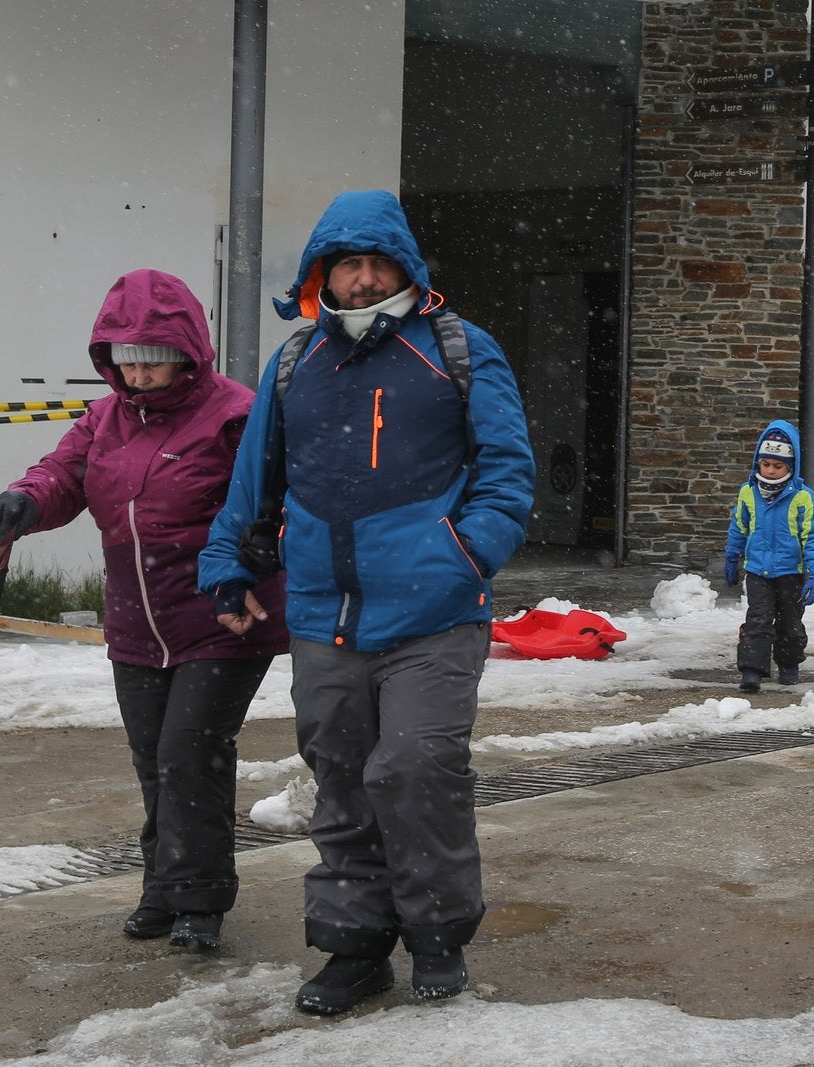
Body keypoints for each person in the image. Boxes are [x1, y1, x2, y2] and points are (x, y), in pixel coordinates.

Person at [200, 190, 535, 1014]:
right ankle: (354, 948)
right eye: (346, 263)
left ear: (406, 268)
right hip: (324, 613)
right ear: (323, 273)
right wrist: (227, 567)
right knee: (342, 779)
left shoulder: (458, 348)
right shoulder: (295, 362)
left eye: (377, 261)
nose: (362, 276)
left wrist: (463, 552)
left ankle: (437, 934)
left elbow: (507, 469)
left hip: (436, 610)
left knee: (416, 769)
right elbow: (254, 481)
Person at [0, 268, 290, 951]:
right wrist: (25, 500)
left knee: (190, 753)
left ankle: (200, 900)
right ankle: (164, 884)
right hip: (135, 621)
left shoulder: (235, 413)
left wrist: (246, 561)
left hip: (224, 615)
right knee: (153, 756)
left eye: (155, 357)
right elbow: (61, 475)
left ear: (188, 351)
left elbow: (270, 507)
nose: (141, 373)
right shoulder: (104, 420)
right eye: (127, 358)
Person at [723, 419, 814, 693]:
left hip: (791, 570)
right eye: (765, 464)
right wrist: (732, 557)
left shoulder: (802, 497)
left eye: (777, 466)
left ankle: (789, 663)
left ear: (790, 467)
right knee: (758, 619)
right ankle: (752, 670)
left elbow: (811, 536)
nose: (770, 471)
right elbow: (739, 527)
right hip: (758, 569)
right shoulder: (748, 493)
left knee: (790, 621)